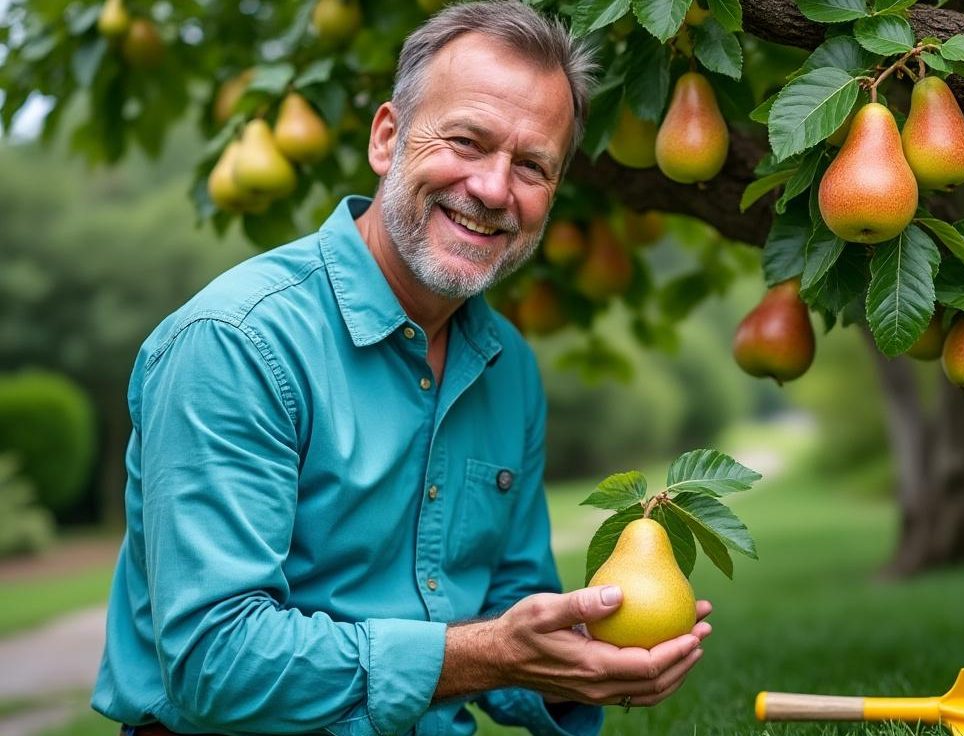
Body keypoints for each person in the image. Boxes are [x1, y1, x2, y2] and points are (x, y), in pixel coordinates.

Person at [91, 3, 712, 734]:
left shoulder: (507, 367)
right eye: (467, 141)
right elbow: (215, 661)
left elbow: (509, 616)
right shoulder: (235, 343)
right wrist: (489, 655)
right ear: (387, 138)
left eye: (533, 166)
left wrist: (578, 667)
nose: (492, 188)